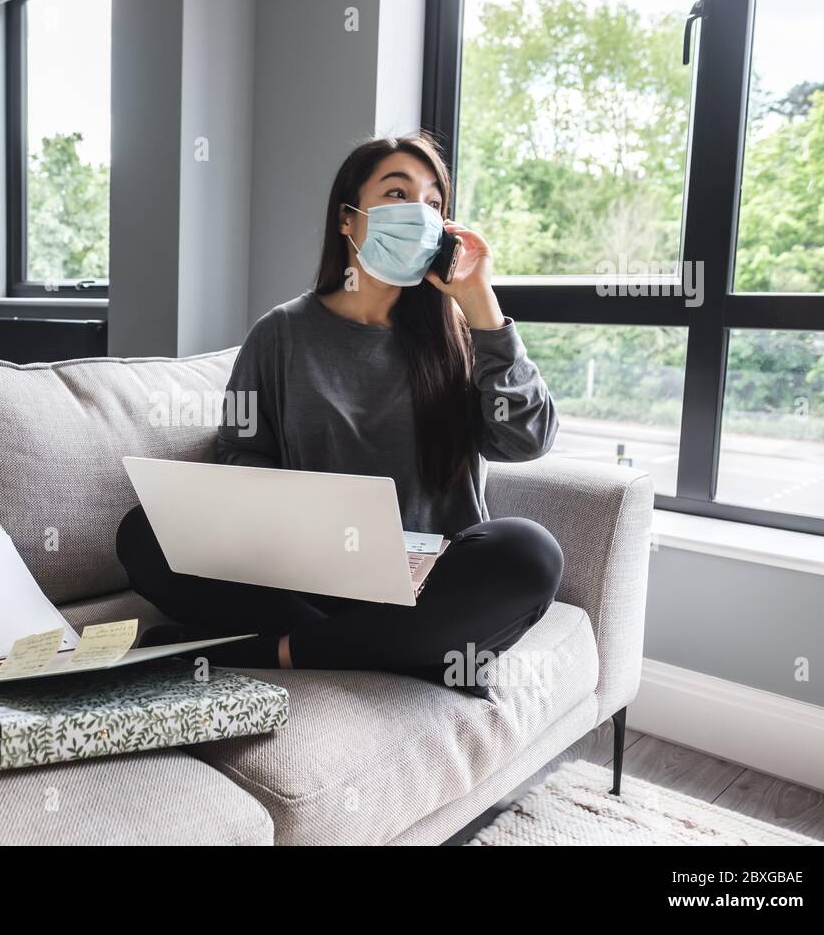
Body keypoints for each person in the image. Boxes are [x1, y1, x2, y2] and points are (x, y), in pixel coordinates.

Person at [116, 133, 563, 698]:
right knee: (146, 529)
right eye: (397, 194)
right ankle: (394, 648)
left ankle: (279, 651)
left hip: (424, 584)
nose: (418, 215)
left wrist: (481, 305)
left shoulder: (463, 336)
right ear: (348, 221)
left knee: (529, 554)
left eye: (433, 205)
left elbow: (525, 439)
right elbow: (241, 452)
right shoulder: (281, 333)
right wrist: (302, 527)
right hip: (303, 579)